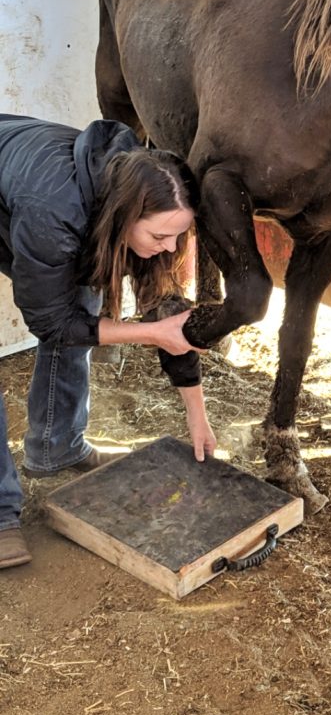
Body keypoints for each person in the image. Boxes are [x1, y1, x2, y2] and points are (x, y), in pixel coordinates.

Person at [0, 113, 217, 569]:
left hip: (30, 206)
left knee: (82, 296)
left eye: (180, 235)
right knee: (69, 315)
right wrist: (146, 334)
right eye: (161, 235)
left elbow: (170, 323)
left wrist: (197, 417)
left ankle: (58, 448)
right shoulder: (54, 212)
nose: (171, 248)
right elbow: (51, 323)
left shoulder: (141, 192)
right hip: (31, 201)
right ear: (125, 216)